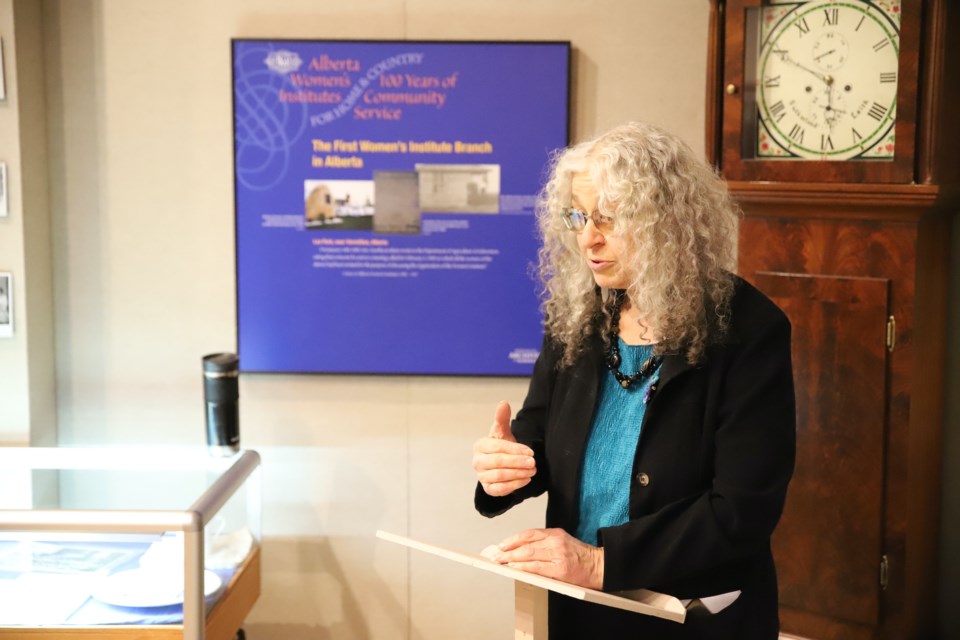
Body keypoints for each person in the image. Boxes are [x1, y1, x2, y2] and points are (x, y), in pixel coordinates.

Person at [472, 121, 795, 639]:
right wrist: (504, 470)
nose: (587, 239)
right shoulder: (581, 317)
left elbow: (742, 511)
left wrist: (601, 562)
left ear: (667, 221)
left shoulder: (748, 330)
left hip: (693, 614)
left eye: (608, 219)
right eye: (578, 217)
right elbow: (536, 444)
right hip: (580, 609)